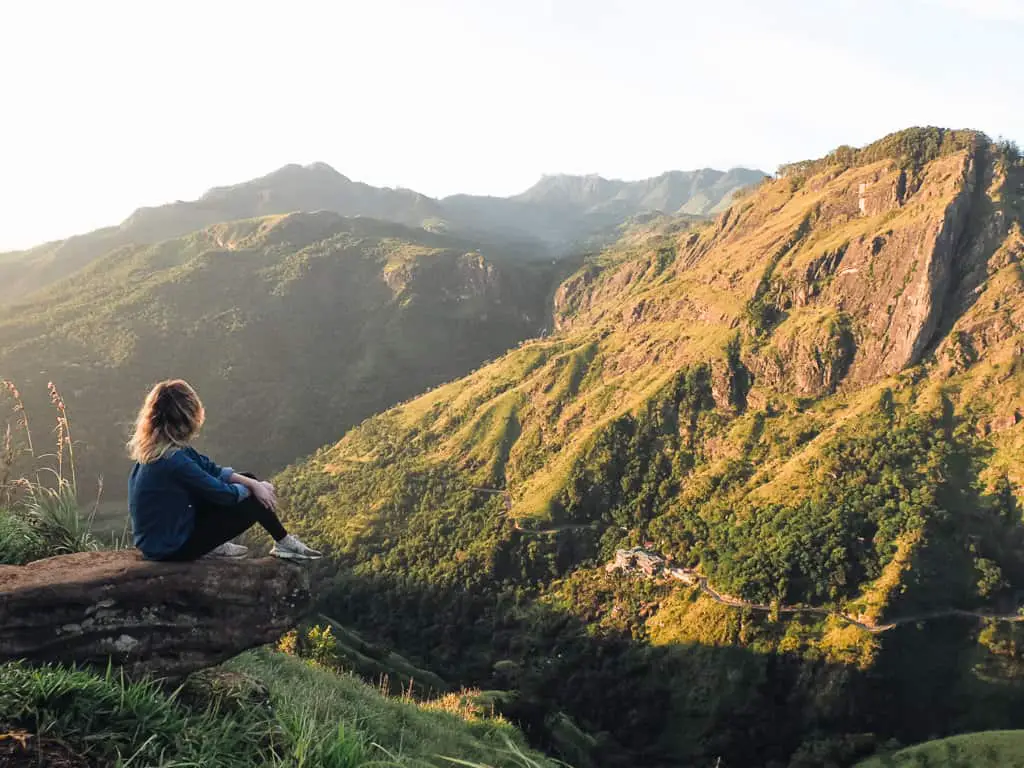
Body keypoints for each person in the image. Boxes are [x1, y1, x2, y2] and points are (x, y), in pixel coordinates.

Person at [127, 379, 321, 561]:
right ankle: (283, 544)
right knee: (253, 501)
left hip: (157, 540)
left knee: (246, 479)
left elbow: (211, 469)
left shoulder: (160, 451)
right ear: (188, 417)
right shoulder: (175, 461)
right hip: (171, 549)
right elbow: (224, 495)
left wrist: (252, 483)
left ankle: (282, 541)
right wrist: (256, 489)